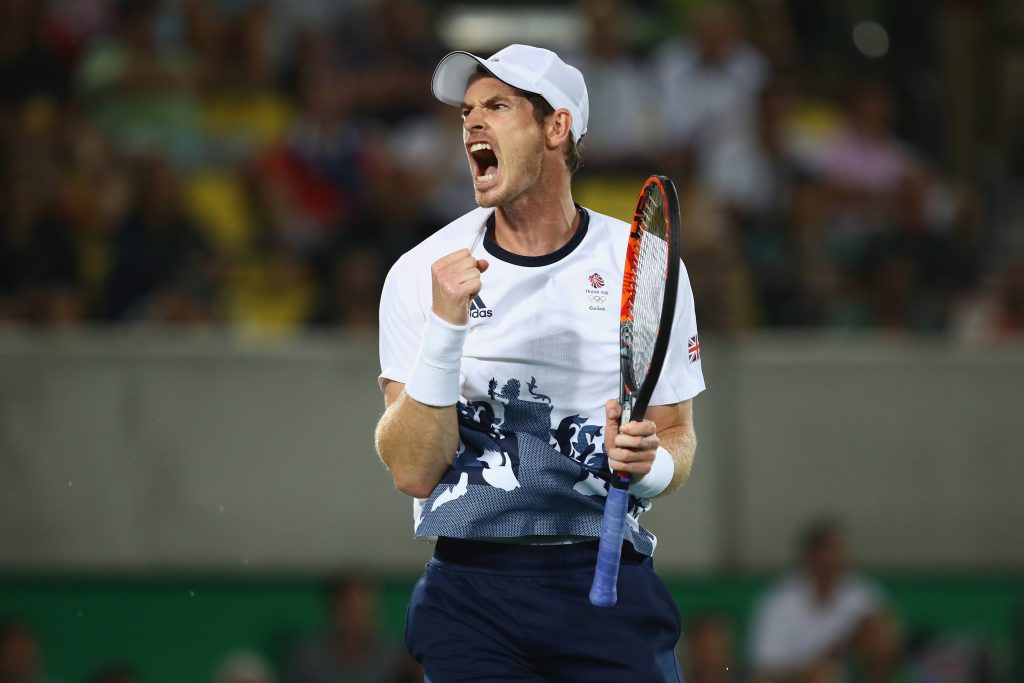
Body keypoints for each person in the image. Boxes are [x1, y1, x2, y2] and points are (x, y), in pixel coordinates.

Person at [375, 44, 704, 682]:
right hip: (470, 594)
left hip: (607, 582)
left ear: (557, 128)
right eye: (467, 111)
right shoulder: (421, 273)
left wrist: (649, 468)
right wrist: (447, 325)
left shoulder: (646, 266)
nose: (471, 122)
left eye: (498, 106)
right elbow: (414, 470)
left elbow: (676, 435)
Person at [749, 519, 882, 682]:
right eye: (826, 553)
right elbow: (766, 669)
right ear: (809, 557)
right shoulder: (778, 602)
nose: (832, 561)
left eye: (837, 552)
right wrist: (812, 673)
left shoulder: (863, 596)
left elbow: (885, 648)